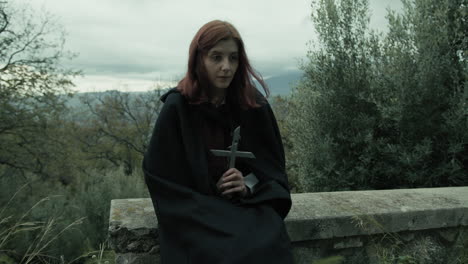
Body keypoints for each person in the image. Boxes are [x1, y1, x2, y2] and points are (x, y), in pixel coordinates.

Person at [143, 20, 293, 264]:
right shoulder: (178, 107)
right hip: (196, 210)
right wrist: (209, 189)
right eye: (217, 57)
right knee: (222, 249)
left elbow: (271, 171)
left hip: (246, 204)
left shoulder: (252, 106)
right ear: (199, 59)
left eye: (233, 58)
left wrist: (246, 184)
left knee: (268, 240)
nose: (226, 67)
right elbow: (161, 175)